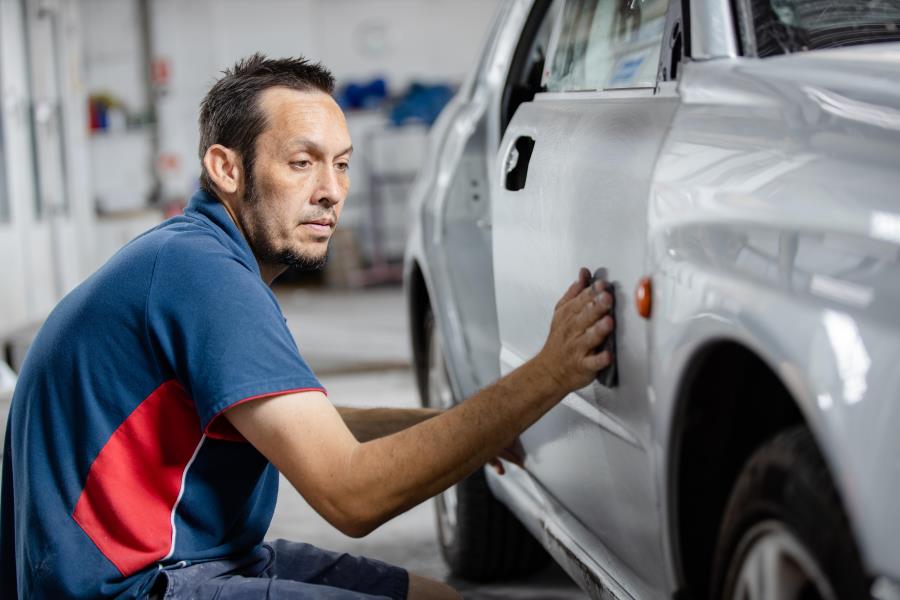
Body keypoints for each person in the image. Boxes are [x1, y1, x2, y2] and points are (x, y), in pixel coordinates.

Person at [0, 54, 614, 599]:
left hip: (198, 560)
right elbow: (352, 495)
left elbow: (302, 426)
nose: (331, 192)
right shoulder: (204, 278)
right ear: (226, 168)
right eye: (302, 163)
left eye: (341, 165)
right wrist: (549, 373)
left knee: (435, 596)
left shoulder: (192, 259)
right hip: (135, 584)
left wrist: (458, 427)